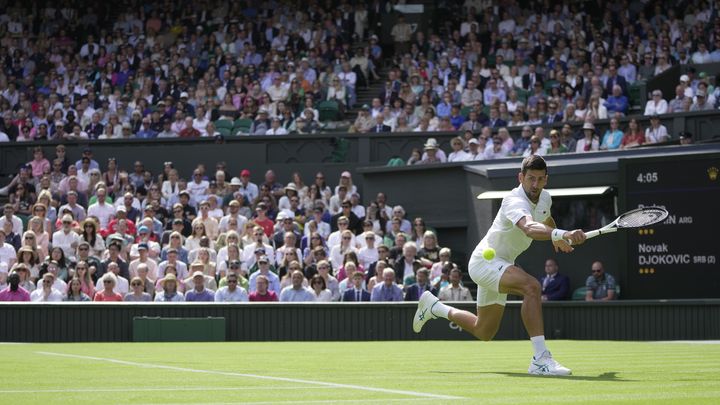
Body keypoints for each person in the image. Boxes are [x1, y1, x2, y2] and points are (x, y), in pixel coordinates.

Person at [413, 155, 586, 376]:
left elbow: (546, 219)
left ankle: (435, 307)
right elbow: (530, 228)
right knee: (532, 287)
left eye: (540, 179)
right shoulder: (513, 200)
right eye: (530, 178)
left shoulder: (545, 198)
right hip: (485, 262)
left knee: (483, 330)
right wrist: (564, 234)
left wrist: (556, 236)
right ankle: (540, 359)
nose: (535, 184)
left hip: (502, 264)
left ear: (546, 180)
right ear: (520, 177)